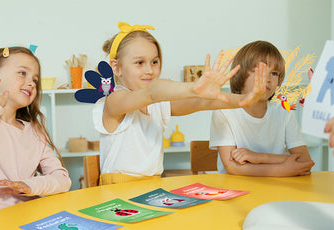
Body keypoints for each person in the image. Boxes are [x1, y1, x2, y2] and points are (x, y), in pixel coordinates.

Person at [94, 22, 268, 185]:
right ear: (116, 67)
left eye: (154, 62)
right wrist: (194, 87)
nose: (149, 70)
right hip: (116, 191)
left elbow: (202, 103)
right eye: (139, 63)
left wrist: (246, 100)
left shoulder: (158, 105)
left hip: (152, 187)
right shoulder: (114, 100)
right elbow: (153, 92)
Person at [0, 47, 71, 220]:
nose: (32, 83)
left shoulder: (35, 131)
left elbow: (63, 180)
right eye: (22, 73)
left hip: (29, 222)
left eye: (35, 79)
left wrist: (28, 185)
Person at [210, 40, 315, 176]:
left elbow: (305, 162)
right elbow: (232, 167)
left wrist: (258, 157)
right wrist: (283, 167)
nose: (268, 78)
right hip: (235, 188)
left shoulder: (284, 112)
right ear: (240, 74)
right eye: (260, 71)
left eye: (274, 73)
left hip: (276, 188)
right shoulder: (224, 111)